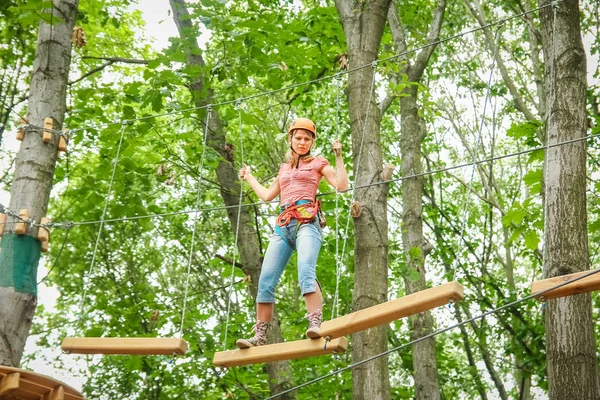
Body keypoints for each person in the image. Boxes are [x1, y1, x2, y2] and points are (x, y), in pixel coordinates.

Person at [236, 117, 349, 348]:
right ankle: (260, 336)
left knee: (305, 269)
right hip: (283, 226)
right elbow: (268, 196)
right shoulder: (284, 168)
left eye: (307, 139)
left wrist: (338, 157)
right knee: (265, 280)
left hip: (307, 221)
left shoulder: (318, 162)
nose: (302, 142)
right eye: (298, 138)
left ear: (312, 142)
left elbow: (342, 185)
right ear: (290, 139)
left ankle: (316, 322)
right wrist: (249, 177)